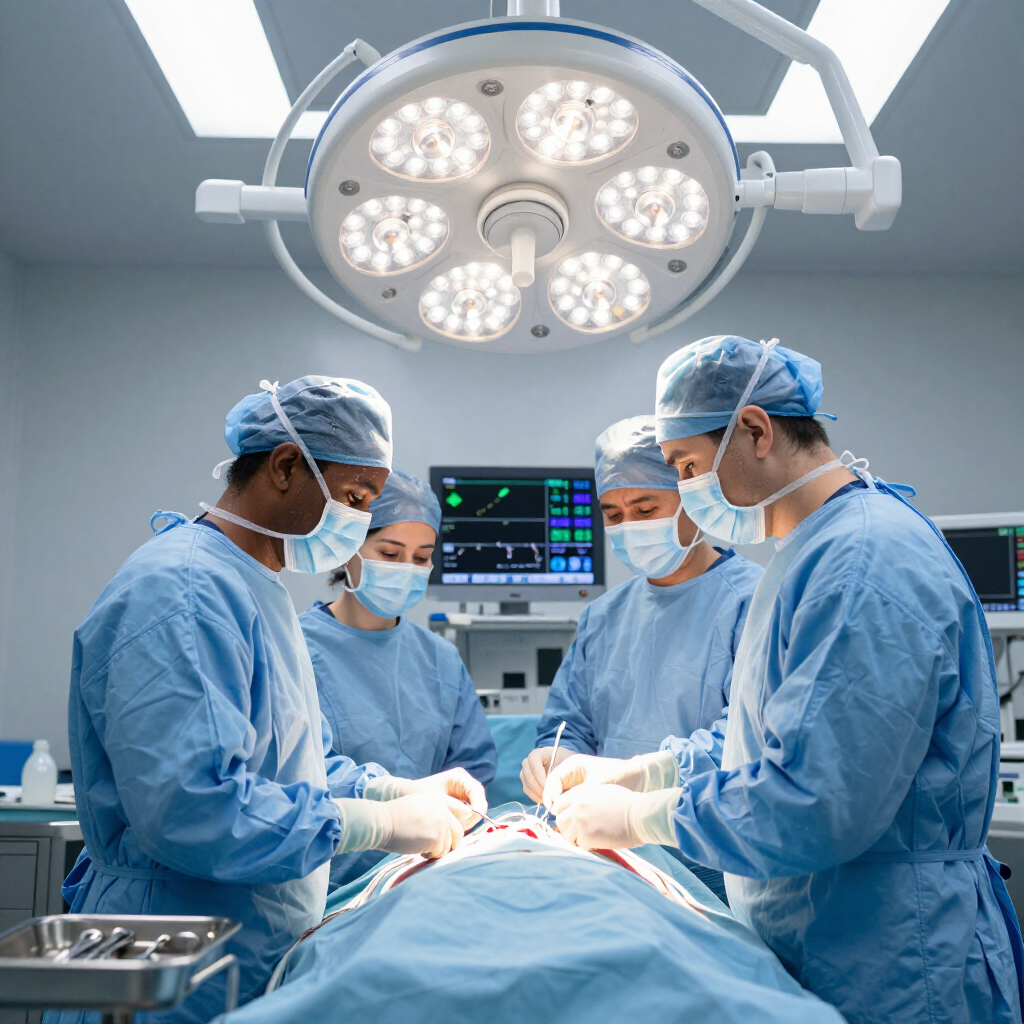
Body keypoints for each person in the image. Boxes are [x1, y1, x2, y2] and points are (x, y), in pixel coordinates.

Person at [544, 337, 1023, 1024]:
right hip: (834, 937)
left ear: (756, 430)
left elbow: (817, 800)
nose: (684, 490)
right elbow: (772, 739)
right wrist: (645, 773)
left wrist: (638, 817)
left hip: (893, 956)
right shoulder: (812, 556)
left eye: (685, 466)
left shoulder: (863, 564)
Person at [52, 377, 486, 1024]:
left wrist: (392, 791)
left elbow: (283, 768)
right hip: (169, 958)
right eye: (356, 497)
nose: (361, 519)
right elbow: (191, 809)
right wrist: (374, 826)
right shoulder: (183, 592)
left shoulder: (252, 588)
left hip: (236, 953)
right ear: (285, 466)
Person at [519, 416, 761, 899]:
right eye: (613, 514)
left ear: (693, 495)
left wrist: (644, 775)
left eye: (646, 507)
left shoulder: (752, 601)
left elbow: (749, 740)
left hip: (713, 859)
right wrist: (557, 756)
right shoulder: (604, 616)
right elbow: (571, 722)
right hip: (608, 859)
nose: (629, 526)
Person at [300, 469, 497, 888]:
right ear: (347, 548)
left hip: (426, 877)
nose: (407, 569)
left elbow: (471, 769)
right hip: (328, 881)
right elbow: (300, 772)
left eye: (422, 557)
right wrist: (392, 804)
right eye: (390, 554)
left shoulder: (439, 658)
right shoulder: (295, 648)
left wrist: (458, 815)